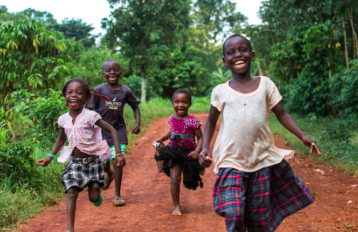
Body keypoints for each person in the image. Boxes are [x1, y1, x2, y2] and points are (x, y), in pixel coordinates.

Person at [198, 34, 322, 232]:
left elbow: (281, 114)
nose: (238, 54)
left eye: (243, 50)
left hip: (261, 160)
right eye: (231, 52)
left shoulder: (266, 84)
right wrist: (205, 147)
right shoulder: (220, 91)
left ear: (252, 55)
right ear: (224, 61)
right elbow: (211, 120)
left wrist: (303, 136)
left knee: (258, 221)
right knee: (235, 212)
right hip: (231, 160)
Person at [37, 78, 125, 232]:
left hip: (92, 162)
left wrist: (117, 154)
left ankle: (103, 182)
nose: (74, 95)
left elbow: (112, 130)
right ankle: (70, 229)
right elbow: (61, 139)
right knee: (71, 191)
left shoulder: (91, 116)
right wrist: (50, 157)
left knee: (93, 198)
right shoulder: (63, 119)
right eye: (70, 92)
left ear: (86, 98)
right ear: (65, 96)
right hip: (74, 162)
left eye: (79, 93)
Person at [86, 59, 141, 206]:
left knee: (118, 161)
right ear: (103, 73)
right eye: (108, 70)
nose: (112, 72)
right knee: (104, 163)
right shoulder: (98, 90)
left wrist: (137, 122)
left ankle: (117, 195)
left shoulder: (125, 91)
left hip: (119, 130)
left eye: (115, 69)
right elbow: (89, 111)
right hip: (101, 132)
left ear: (120, 73)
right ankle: (108, 174)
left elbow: (135, 107)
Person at [153, 89, 204, 216]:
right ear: (172, 103)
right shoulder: (171, 118)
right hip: (174, 152)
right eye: (177, 102)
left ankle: (188, 177)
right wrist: (162, 138)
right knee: (175, 179)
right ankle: (176, 206)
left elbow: (201, 138)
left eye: (184, 102)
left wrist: (197, 151)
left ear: (190, 104)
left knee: (188, 179)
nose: (180, 105)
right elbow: (172, 131)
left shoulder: (193, 121)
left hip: (189, 153)